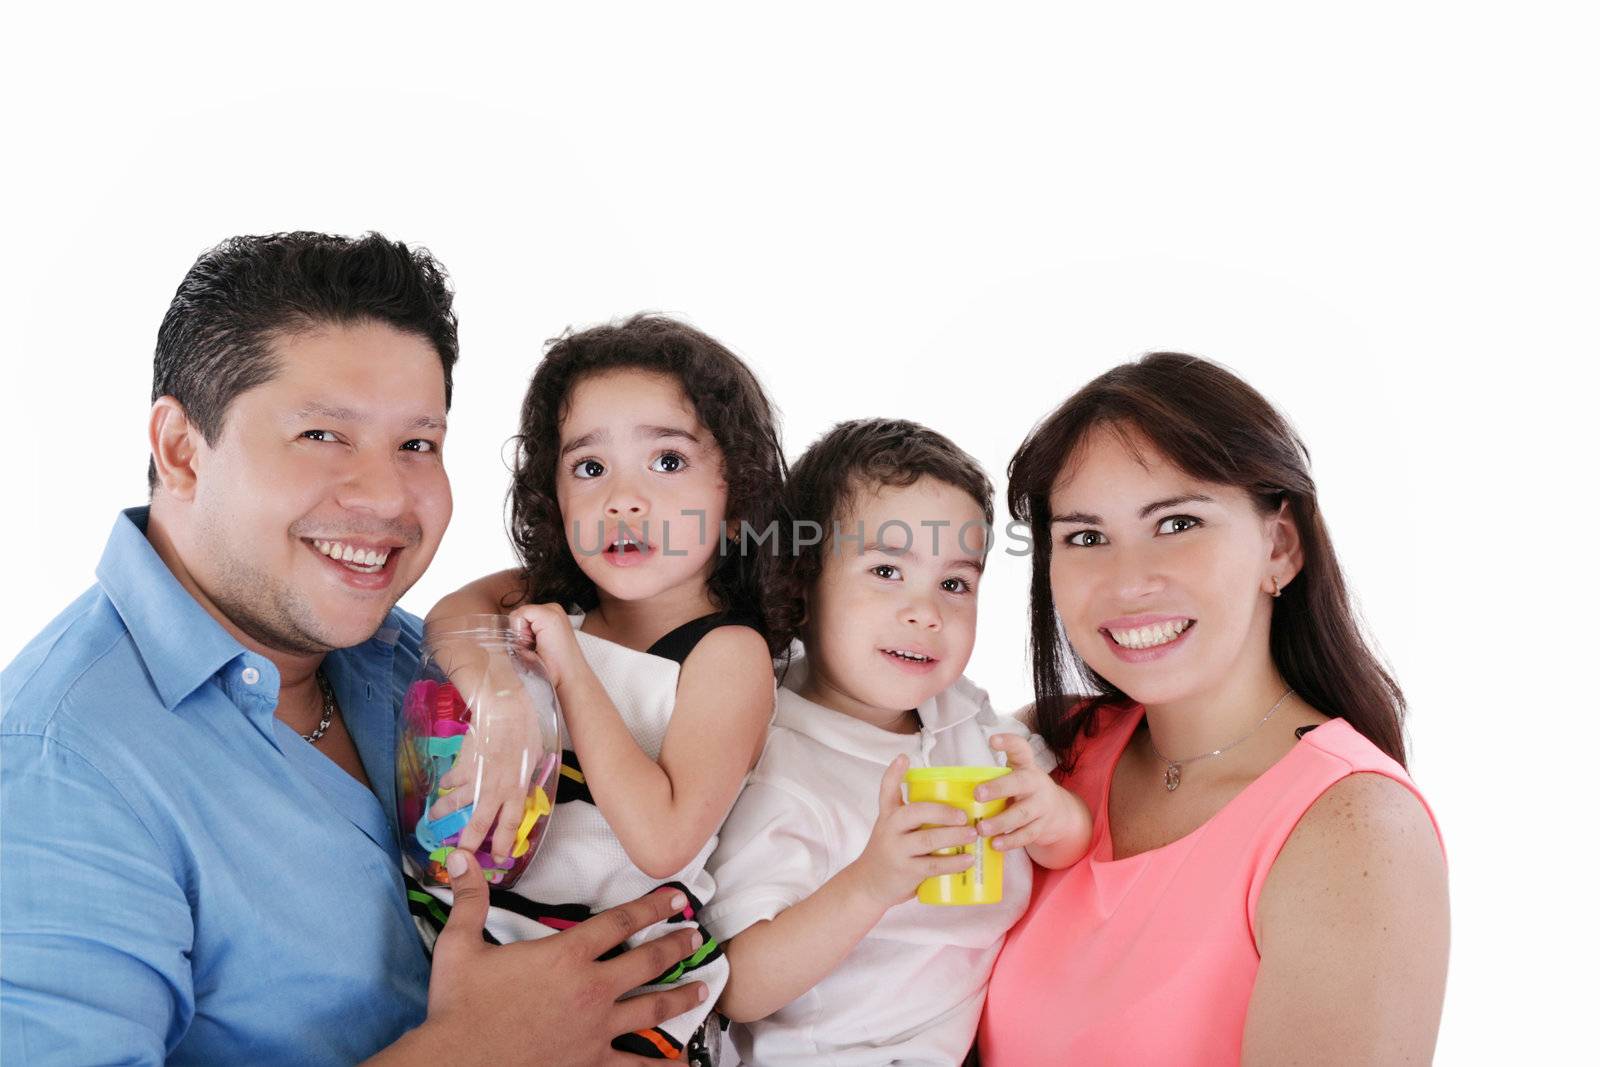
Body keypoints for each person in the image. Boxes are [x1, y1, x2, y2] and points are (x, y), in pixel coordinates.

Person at [0, 232, 706, 1066]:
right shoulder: (61, 762)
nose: (385, 496)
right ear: (182, 450)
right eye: (323, 436)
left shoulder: (406, 656)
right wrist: (478, 1050)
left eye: (418, 444)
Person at [979, 353, 1450, 1064]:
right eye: (1085, 536)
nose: (1128, 581)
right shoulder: (1052, 749)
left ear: (1280, 546)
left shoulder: (1356, 830)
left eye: (1176, 523)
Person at [417, 314, 786, 1062]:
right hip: (474, 943)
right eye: (590, 469)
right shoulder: (558, 596)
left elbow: (661, 838)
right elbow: (450, 615)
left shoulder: (726, 655)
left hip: (619, 993)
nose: (624, 498)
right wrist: (504, 700)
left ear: (736, 494)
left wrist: (569, 668)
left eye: (668, 461)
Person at [703, 419, 1093, 1065]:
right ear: (802, 585)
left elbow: (1069, 844)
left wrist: (1051, 814)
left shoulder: (963, 715)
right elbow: (740, 986)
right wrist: (869, 884)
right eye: (886, 569)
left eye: (954, 583)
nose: (926, 611)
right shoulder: (777, 757)